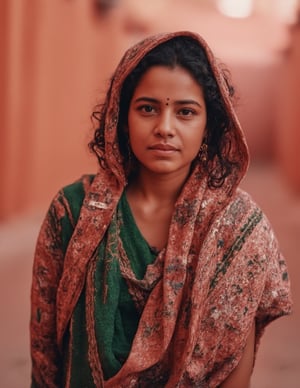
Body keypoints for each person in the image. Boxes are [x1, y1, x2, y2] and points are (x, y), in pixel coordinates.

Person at [30, 31, 292, 387]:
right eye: (148, 108)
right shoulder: (73, 211)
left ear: (209, 126)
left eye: (185, 112)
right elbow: (45, 353)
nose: (164, 128)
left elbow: (232, 368)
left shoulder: (237, 227)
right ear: (121, 118)